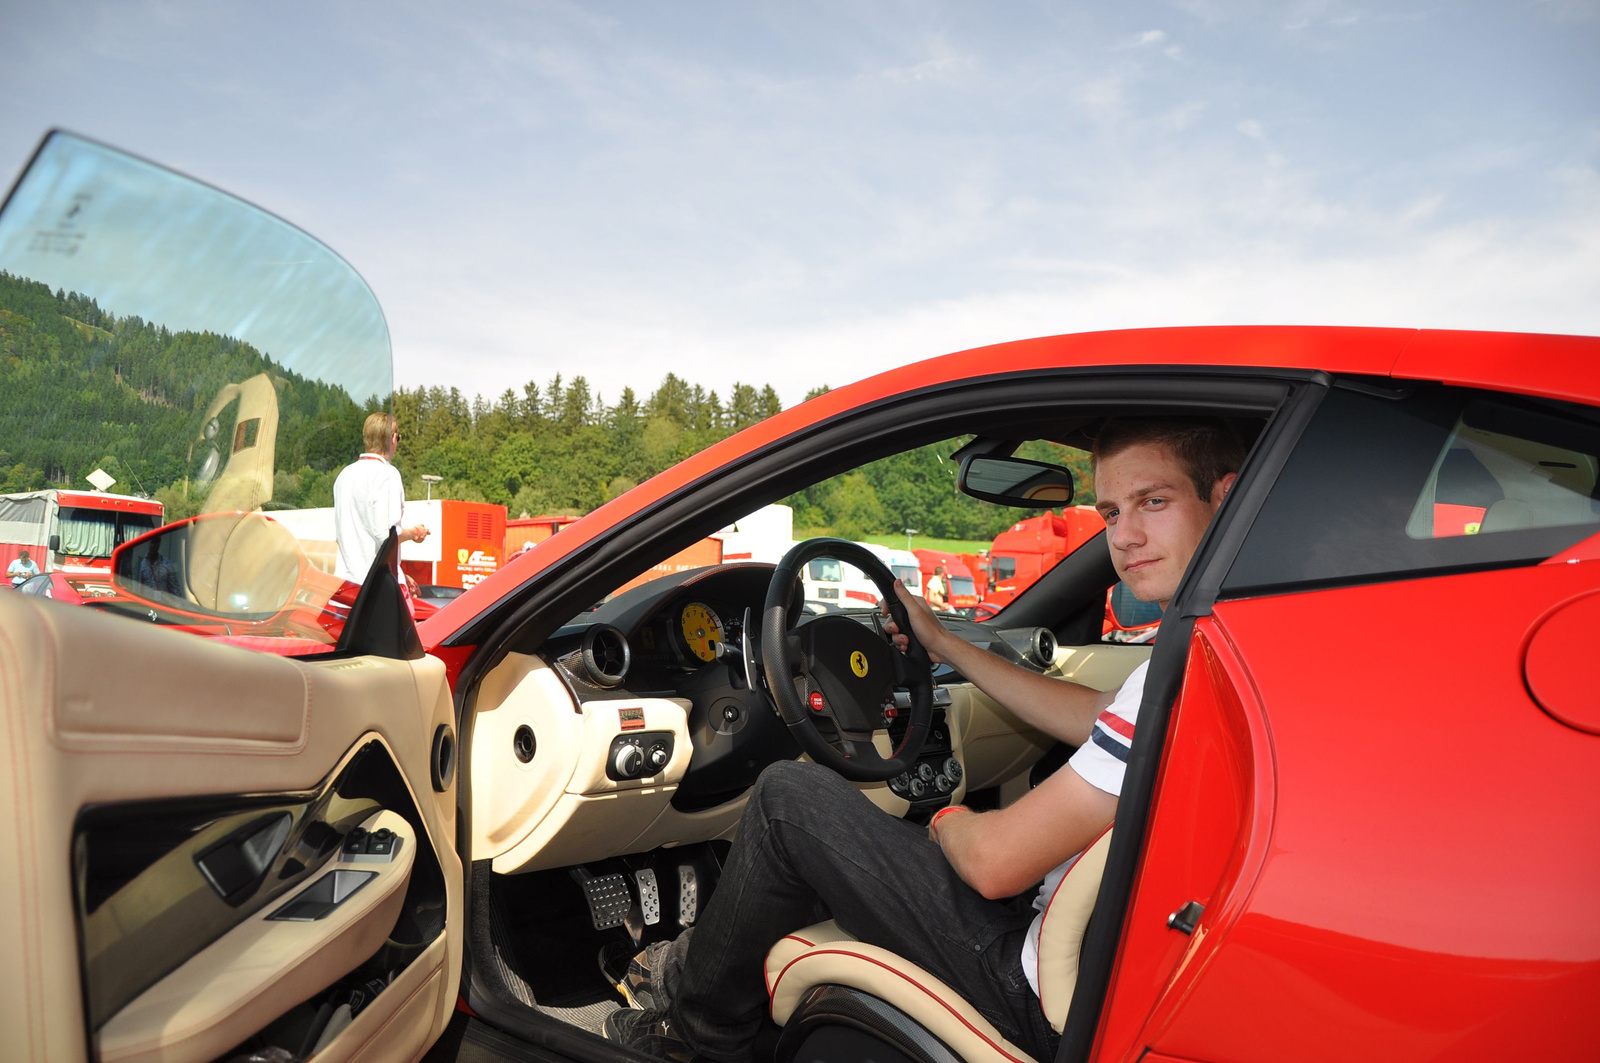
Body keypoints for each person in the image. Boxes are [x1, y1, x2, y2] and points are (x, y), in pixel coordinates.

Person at [602, 417, 1245, 1063]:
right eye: (1109, 512)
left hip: (1034, 982)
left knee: (786, 798)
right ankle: (691, 972)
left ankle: (690, 1035)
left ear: (1225, 495)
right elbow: (1099, 716)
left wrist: (947, 818)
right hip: (1120, 966)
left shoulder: (1188, 669)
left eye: (1153, 501)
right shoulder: (1224, 652)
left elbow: (994, 865)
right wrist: (945, 646)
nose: (1125, 535)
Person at [332, 412, 429, 586]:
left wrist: (402, 576)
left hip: (345, 584)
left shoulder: (344, 475)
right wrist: (415, 532)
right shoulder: (388, 474)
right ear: (392, 439)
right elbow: (387, 535)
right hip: (375, 589)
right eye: (398, 437)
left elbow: (346, 535)